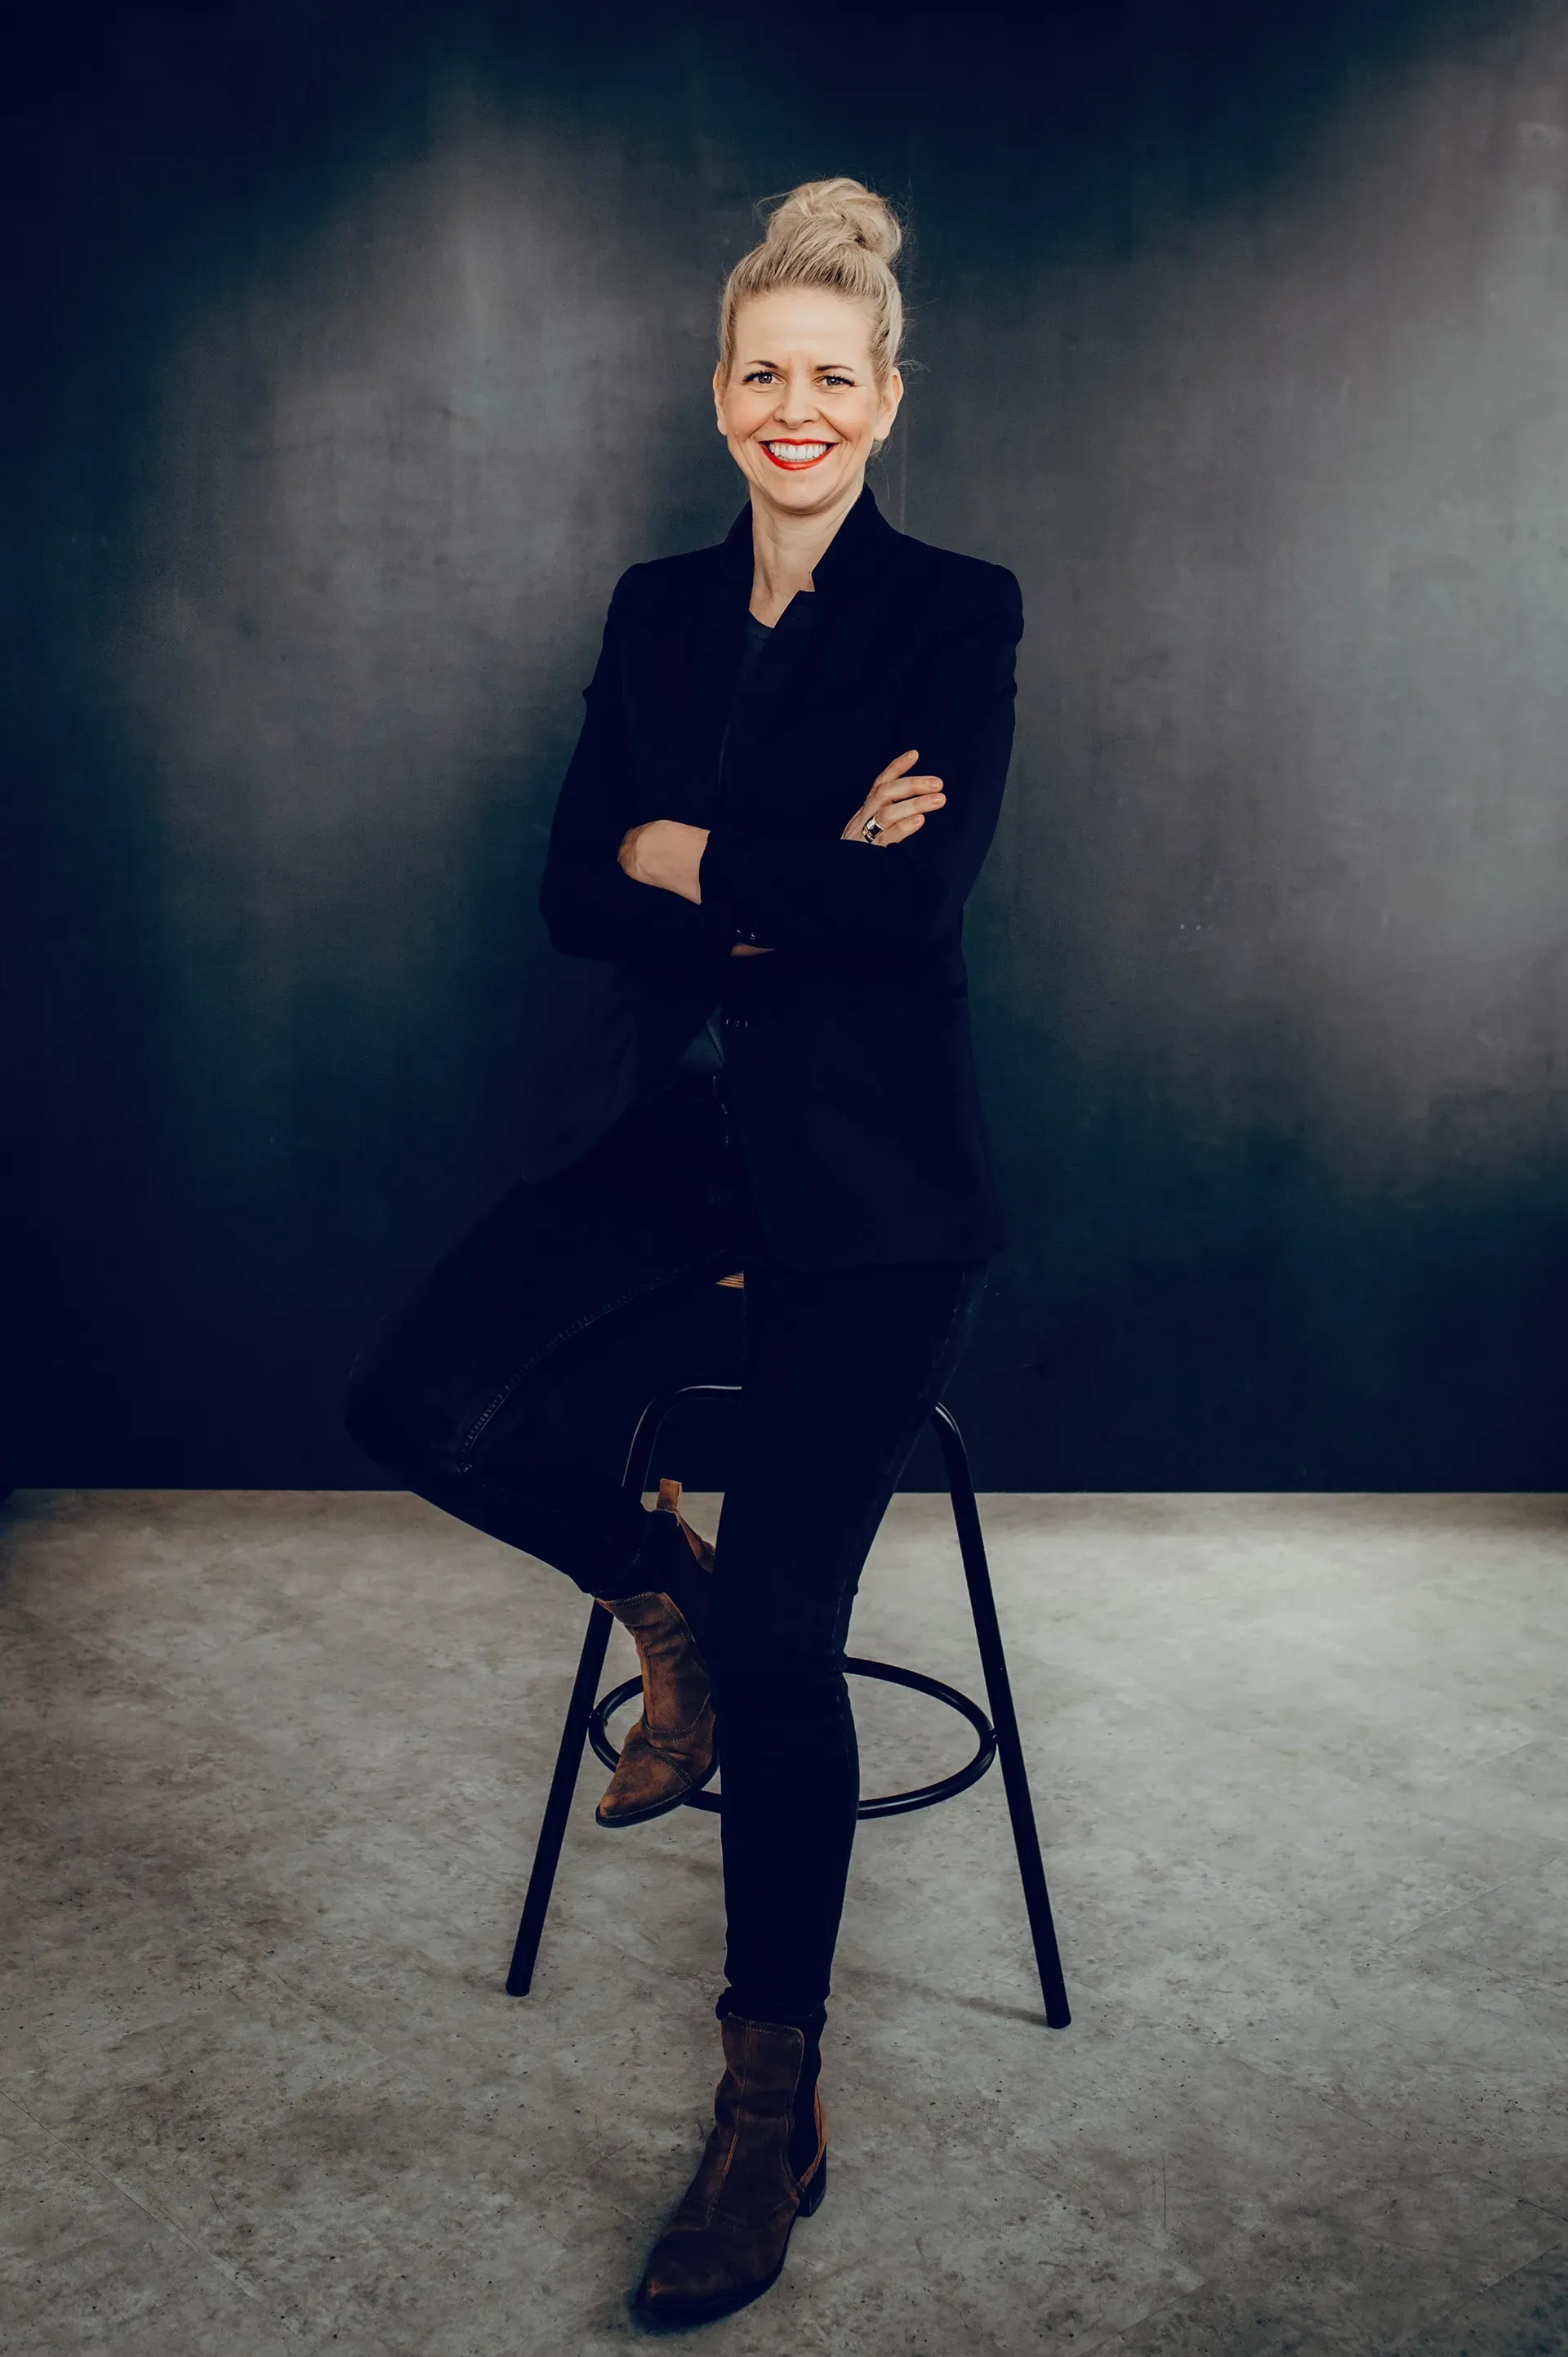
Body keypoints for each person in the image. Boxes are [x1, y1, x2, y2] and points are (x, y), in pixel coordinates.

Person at [342, 175, 1023, 2324]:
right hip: (670, 1137)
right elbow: (571, 883)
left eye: (833, 379)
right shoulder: (655, 607)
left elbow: (901, 913)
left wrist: (695, 849)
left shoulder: (953, 610)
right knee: (416, 1402)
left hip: (875, 1184)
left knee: (813, 1636)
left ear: (885, 399)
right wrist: (788, 859)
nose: (793, 410)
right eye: (762, 376)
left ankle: (769, 2108)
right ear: (718, 394)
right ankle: (672, 1598)